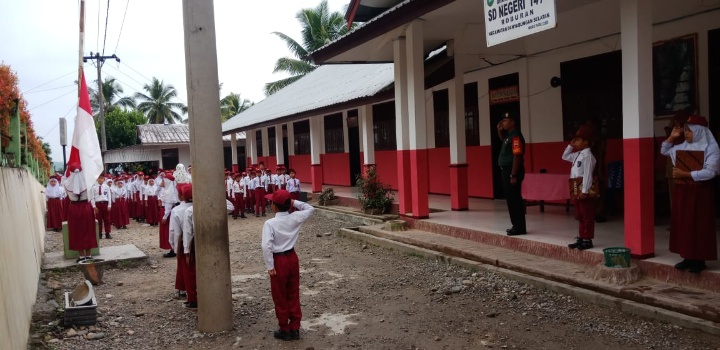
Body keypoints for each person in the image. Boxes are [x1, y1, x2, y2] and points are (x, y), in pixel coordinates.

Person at [661, 115, 719, 273]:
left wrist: (685, 174)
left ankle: (699, 260)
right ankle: (687, 256)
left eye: (690, 131)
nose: (686, 133)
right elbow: (664, 150)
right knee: (684, 223)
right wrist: (672, 137)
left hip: (700, 192)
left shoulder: (711, 148)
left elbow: (710, 172)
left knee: (699, 224)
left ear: (700, 131)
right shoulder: (683, 146)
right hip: (683, 191)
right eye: (685, 130)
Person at [261, 189, 315, 341]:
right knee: (293, 292)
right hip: (292, 257)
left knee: (280, 295)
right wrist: (293, 202)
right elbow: (310, 208)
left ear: (274, 206)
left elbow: (266, 246)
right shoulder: (295, 217)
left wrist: (270, 266)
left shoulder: (270, 223)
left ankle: (284, 328)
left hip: (278, 260)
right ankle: (295, 328)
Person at [562, 126, 597, 250]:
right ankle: (582, 237)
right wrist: (570, 146)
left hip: (583, 187)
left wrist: (585, 191)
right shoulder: (578, 154)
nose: (575, 142)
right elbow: (564, 156)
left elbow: (588, 174)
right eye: (574, 140)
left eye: (578, 140)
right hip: (576, 186)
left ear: (586, 142)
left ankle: (587, 239)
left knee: (587, 214)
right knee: (580, 214)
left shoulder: (587, 156)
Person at [496, 113, 526, 236]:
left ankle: (519, 227)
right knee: (510, 199)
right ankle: (516, 225)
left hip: (512, 171)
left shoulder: (516, 136)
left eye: (506, 121)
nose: (503, 123)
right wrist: (499, 131)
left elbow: (517, 156)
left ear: (512, 122)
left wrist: (513, 175)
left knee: (514, 199)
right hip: (507, 170)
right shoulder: (509, 136)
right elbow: (504, 141)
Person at [64, 163, 98, 262]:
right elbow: (91, 196)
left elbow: (68, 191)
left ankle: (81, 255)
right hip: (86, 207)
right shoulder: (88, 182)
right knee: (88, 229)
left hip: (74, 208)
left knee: (76, 231)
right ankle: (88, 254)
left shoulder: (66, 184)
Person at [169, 183, 191, 303]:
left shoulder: (176, 210)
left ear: (181, 196)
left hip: (183, 241)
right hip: (196, 240)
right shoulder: (196, 207)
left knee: (184, 266)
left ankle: (184, 289)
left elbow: (174, 231)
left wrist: (173, 245)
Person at [180, 185, 197, 309]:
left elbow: (187, 232)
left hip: (193, 243)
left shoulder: (188, 211)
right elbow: (230, 206)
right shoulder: (200, 207)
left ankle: (193, 298)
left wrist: (186, 251)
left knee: (191, 272)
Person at [160, 173, 179, 258]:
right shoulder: (167, 190)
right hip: (168, 213)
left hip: (168, 215)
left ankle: (172, 249)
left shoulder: (169, 192)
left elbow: (168, 207)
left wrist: (164, 217)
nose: (162, 182)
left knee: (170, 231)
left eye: (163, 180)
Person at [90, 174, 112, 239]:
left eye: (102, 178)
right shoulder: (94, 188)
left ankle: (107, 233)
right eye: (99, 178)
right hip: (98, 204)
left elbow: (109, 196)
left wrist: (109, 205)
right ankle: (99, 233)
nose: (100, 179)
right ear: (97, 179)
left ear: (104, 179)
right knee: (98, 220)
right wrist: (94, 206)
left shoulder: (106, 187)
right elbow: (92, 198)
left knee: (107, 219)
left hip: (105, 203)